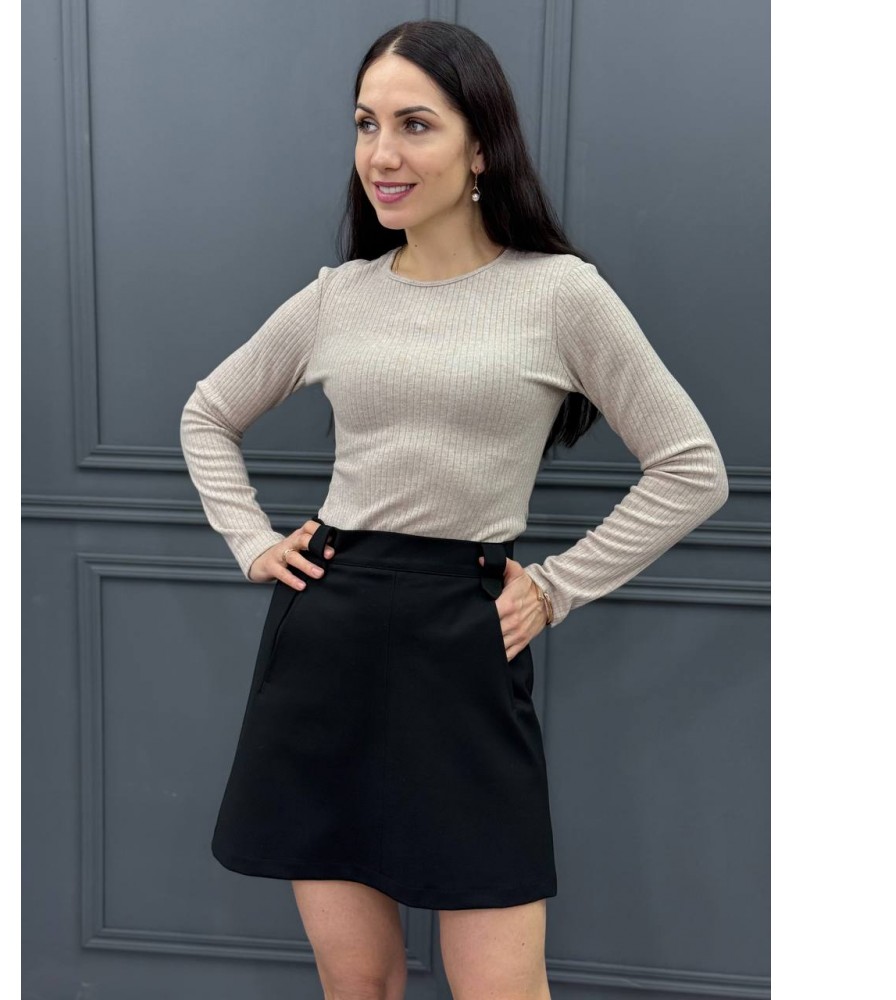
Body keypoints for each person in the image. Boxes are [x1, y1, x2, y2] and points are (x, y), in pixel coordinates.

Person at [180, 19, 729, 1000]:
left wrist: (555, 588)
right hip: (327, 644)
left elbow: (691, 468)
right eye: (365, 124)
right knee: (358, 984)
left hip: (461, 646)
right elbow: (207, 413)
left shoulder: (560, 295)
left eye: (415, 124)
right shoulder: (337, 297)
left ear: (481, 147)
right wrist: (252, 542)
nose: (381, 154)